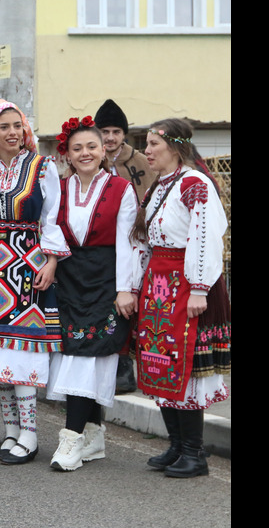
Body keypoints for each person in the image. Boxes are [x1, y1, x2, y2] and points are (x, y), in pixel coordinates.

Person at [0, 99, 70, 465]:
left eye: (17, 126)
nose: (12, 132)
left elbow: (52, 217)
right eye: (4, 126)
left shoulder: (42, 168)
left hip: (27, 264)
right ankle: (11, 429)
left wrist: (52, 261)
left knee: (22, 351)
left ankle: (29, 435)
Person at [131, 118, 230, 478]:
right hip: (159, 283)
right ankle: (176, 445)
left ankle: (195, 453)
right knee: (162, 361)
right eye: (146, 144)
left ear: (174, 146)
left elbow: (205, 236)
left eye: (153, 144)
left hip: (185, 284)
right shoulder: (160, 186)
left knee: (184, 366)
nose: (147, 151)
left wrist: (200, 288)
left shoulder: (194, 184)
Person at [45, 116, 137, 471]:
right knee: (76, 353)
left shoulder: (120, 189)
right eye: (77, 148)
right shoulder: (60, 187)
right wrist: (52, 260)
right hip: (69, 277)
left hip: (106, 278)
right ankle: (94, 437)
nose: (85, 153)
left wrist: (125, 289)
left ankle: (70, 441)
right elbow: (49, 227)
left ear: (104, 151)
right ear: (67, 153)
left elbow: (128, 242)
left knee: (90, 356)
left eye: (91, 147)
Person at [94, 98, 155, 394]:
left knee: (134, 303)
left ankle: (131, 366)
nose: (110, 137)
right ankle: (114, 364)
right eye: (104, 131)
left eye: (116, 131)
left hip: (137, 242)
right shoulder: (92, 159)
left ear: (124, 134)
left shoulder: (140, 161)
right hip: (104, 246)